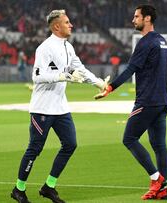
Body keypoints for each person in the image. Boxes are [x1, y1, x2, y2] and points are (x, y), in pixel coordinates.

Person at [10, 9, 109, 203]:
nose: (71, 25)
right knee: (35, 149)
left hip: (60, 107)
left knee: (70, 144)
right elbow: (36, 77)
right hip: (42, 109)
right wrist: (62, 76)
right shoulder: (44, 48)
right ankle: (18, 189)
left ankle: (49, 187)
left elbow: (79, 69)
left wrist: (98, 82)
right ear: (56, 26)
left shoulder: (67, 47)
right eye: (67, 22)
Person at [95, 5, 167, 200]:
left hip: (147, 101)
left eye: (136, 16)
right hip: (163, 101)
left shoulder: (145, 43)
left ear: (147, 19)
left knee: (129, 139)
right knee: (159, 145)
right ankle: (162, 191)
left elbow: (130, 70)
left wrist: (110, 88)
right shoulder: (162, 41)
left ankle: (158, 180)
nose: (133, 20)